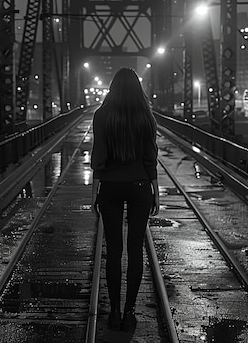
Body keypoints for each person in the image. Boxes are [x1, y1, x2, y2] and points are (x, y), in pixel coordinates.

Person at [90, 67, 160, 332]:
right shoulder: (146, 116)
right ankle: (130, 312)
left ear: (112, 88)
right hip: (140, 186)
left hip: (111, 187)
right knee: (135, 251)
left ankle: (115, 311)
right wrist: (155, 189)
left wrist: (94, 191)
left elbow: (99, 157)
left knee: (114, 251)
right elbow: (149, 157)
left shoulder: (102, 115)